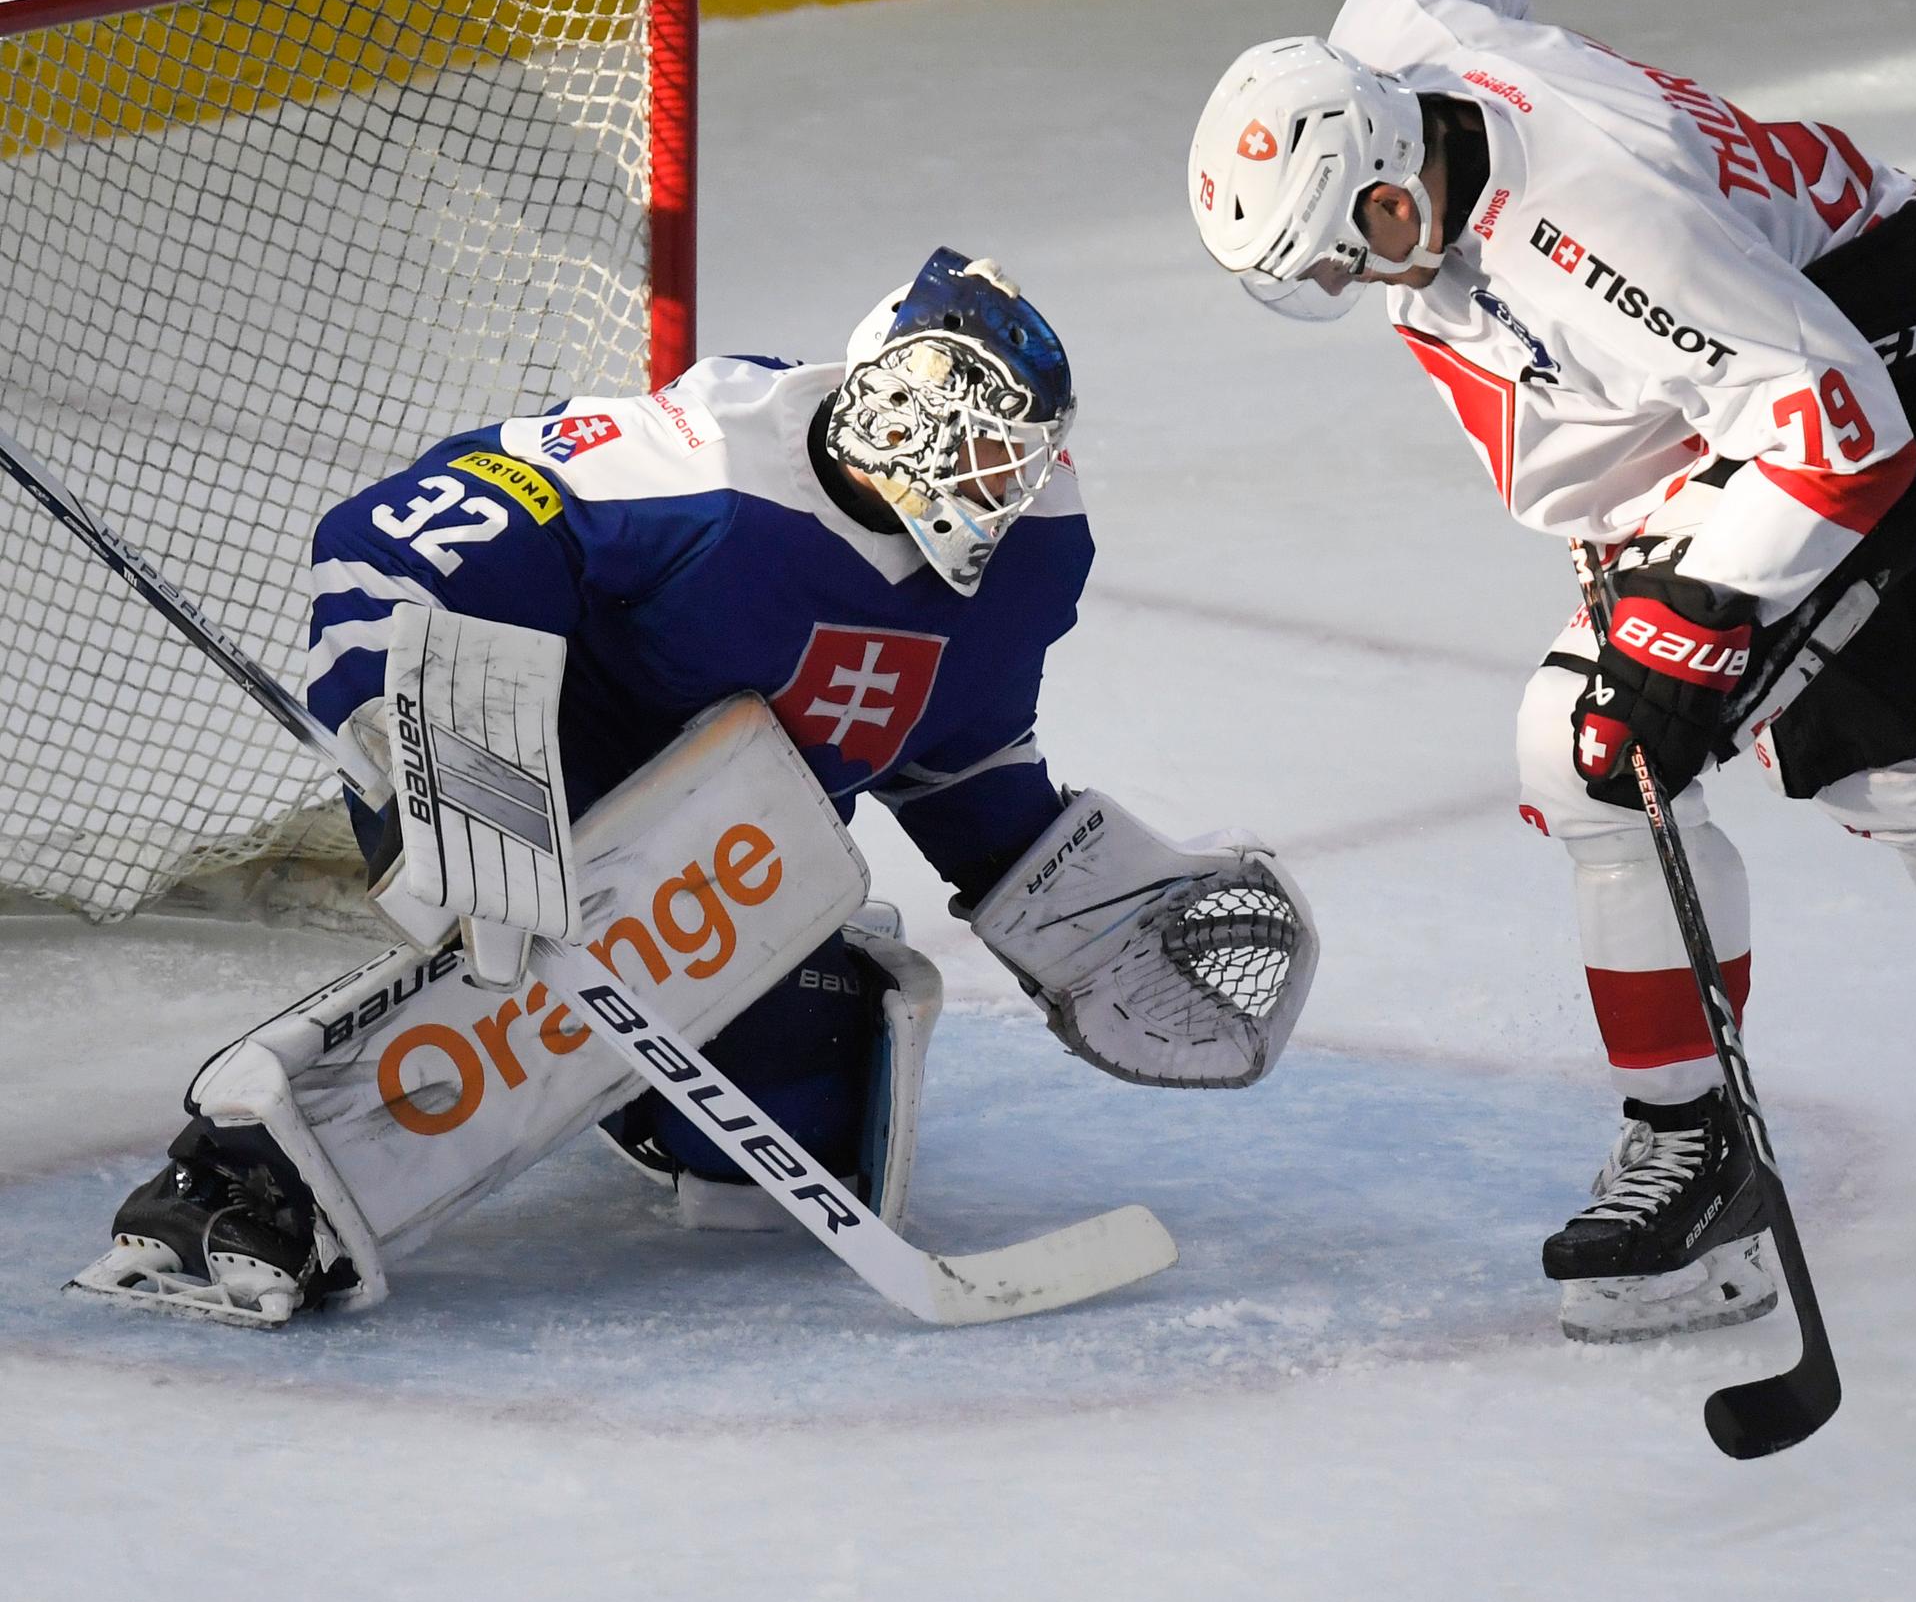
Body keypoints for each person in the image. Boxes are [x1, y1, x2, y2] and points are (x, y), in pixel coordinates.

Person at [1185, 0, 1916, 1343]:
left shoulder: (1596, 233)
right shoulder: (1390, 53)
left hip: (1857, 380)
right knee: (1903, 772)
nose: (1346, 287)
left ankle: (1696, 1158)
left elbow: (1843, 433)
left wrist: (1689, 624)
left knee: (1595, 755)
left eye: (1342, 250)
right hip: (1752, 374)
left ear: (1388, 170)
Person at [72, 247, 1315, 1325]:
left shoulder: (1034, 550)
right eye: (984, 450)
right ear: (898, 419)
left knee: (791, 1142)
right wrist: (433, 750)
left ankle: (646, 1050)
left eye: (1023, 454)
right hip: (512, 768)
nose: (1010, 483)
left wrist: (1050, 880)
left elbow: (954, 747)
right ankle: (241, 1179)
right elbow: (395, 534)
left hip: (720, 839)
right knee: (533, 981)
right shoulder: (702, 463)